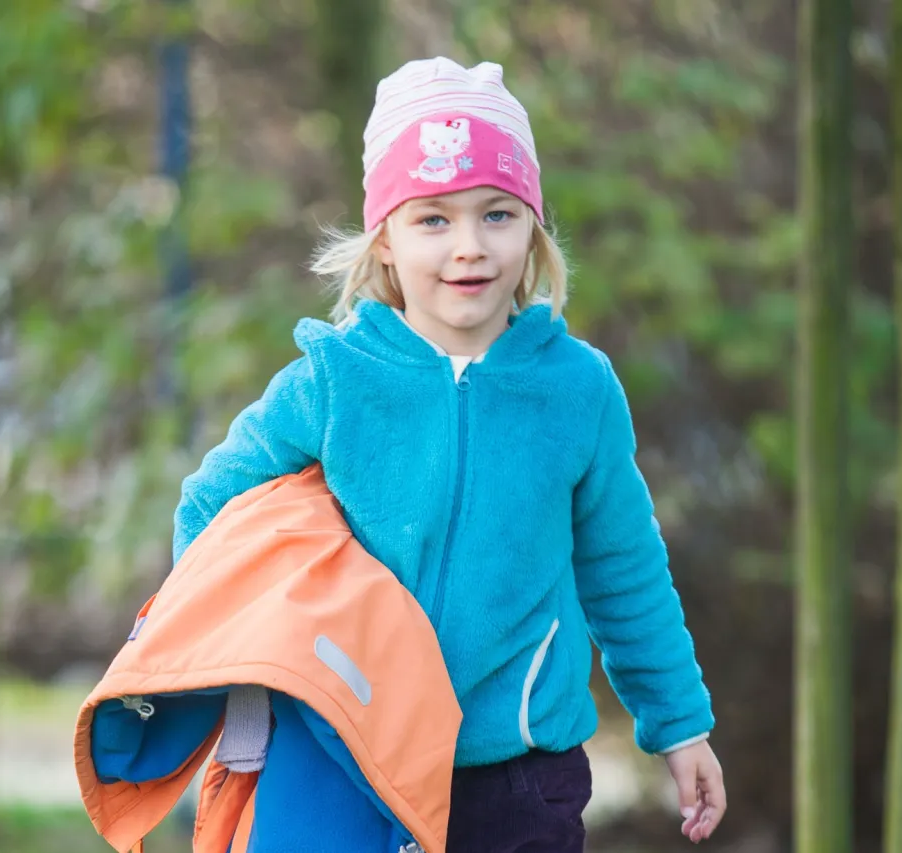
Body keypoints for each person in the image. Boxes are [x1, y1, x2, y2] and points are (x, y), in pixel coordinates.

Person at [173, 55, 727, 849]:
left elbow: (625, 567)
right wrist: (250, 670)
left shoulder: (577, 389)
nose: (469, 246)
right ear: (386, 242)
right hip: (348, 761)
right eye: (433, 218)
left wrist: (679, 726)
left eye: (497, 213)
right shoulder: (333, 380)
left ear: (533, 227)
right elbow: (207, 509)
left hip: (518, 777)